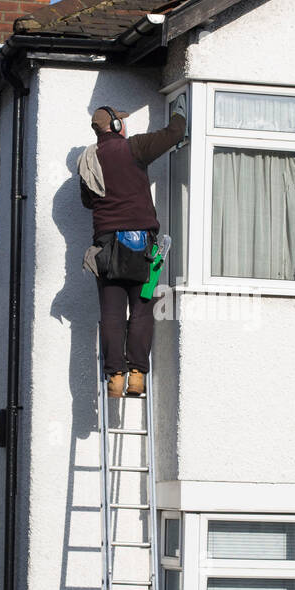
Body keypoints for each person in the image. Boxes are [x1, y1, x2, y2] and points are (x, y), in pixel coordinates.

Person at [79, 104, 186, 397]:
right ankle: (137, 375)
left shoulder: (89, 161)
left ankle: (115, 377)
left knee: (111, 314)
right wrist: (180, 107)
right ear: (114, 126)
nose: (124, 125)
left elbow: (88, 201)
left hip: (106, 249)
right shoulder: (135, 147)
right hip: (145, 250)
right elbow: (175, 132)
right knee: (142, 309)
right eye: (121, 122)